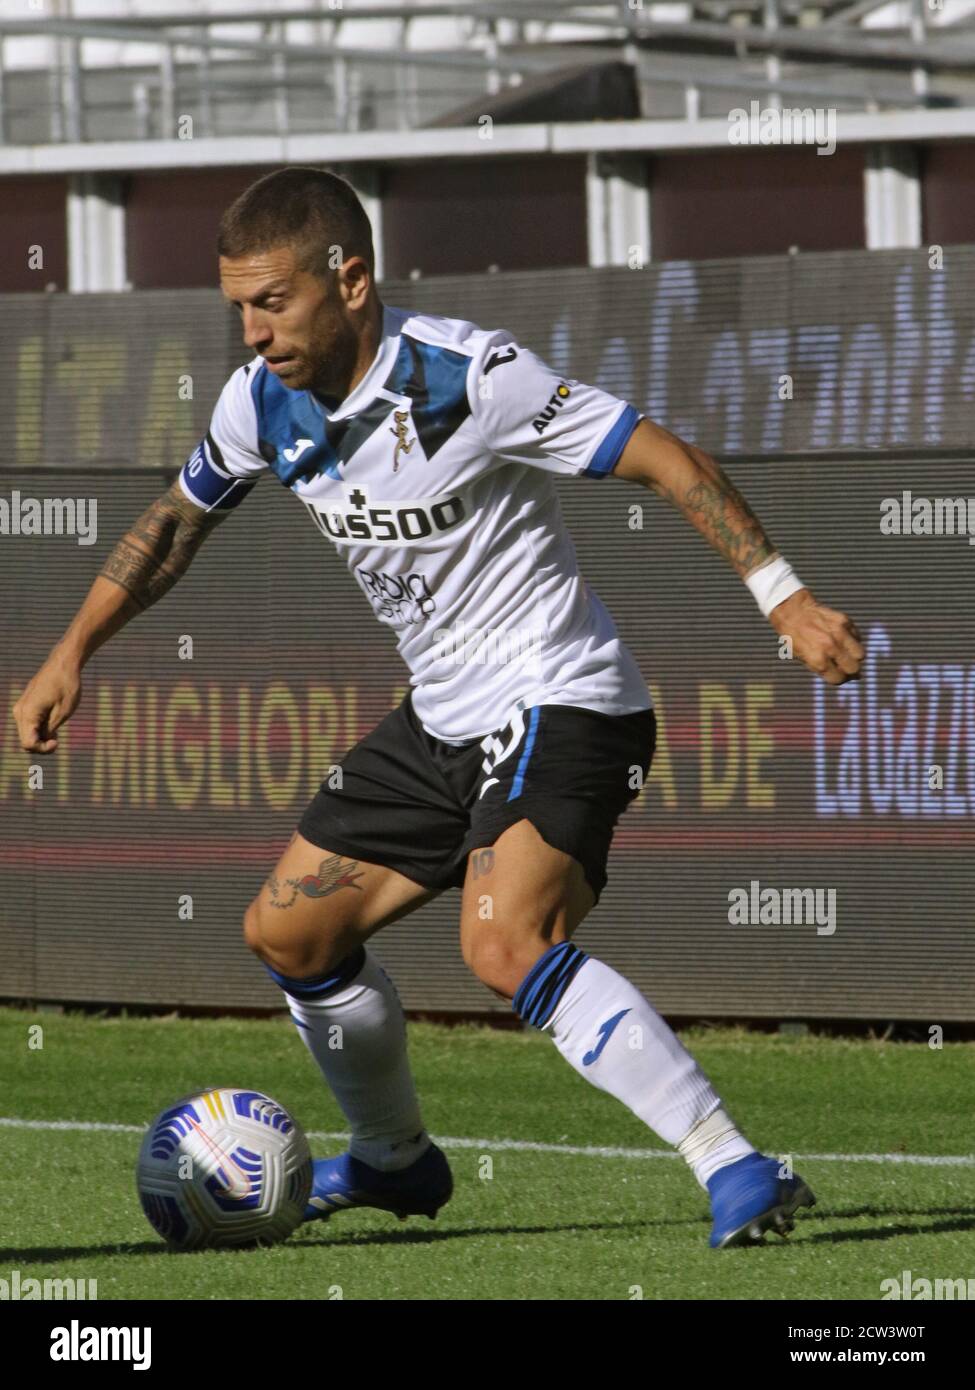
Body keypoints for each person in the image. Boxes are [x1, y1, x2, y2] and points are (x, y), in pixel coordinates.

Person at [14, 167, 864, 1249]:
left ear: (351, 279)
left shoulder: (470, 376)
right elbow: (176, 524)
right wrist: (69, 652)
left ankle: (735, 1163)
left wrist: (782, 597)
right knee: (289, 930)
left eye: (272, 300)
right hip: (444, 719)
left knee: (504, 941)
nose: (253, 329)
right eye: (237, 304)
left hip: (567, 694)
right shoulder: (257, 402)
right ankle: (392, 1161)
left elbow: (659, 454)